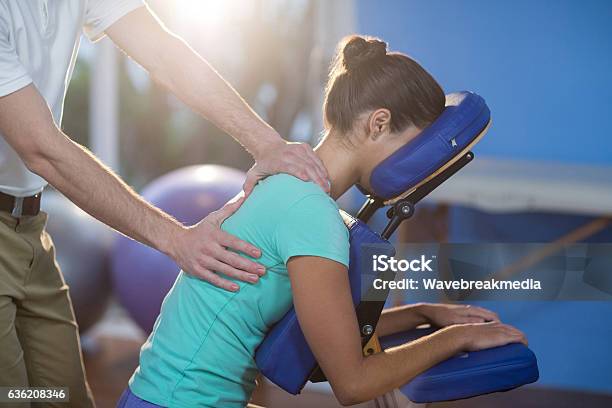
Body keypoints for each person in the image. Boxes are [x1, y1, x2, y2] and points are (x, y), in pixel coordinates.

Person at [119, 35, 528, 408]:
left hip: (161, 395)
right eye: (414, 146)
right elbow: (352, 382)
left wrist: (424, 314)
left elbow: (326, 332)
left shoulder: (288, 188)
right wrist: (459, 338)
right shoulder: (312, 216)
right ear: (379, 123)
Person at [0, 2, 328, 406]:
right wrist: (177, 240)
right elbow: (41, 148)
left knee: (62, 395)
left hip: (29, 226)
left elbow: (164, 54)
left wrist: (269, 145)